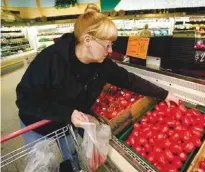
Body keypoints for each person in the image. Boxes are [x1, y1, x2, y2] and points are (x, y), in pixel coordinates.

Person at [16, 11, 179, 164]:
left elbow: (129, 80)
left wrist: (164, 94)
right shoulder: (50, 59)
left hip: (66, 123)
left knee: (73, 157)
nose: (110, 51)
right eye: (107, 45)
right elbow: (25, 100)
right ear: (87, 40)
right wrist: (67, 113)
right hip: (37, 123)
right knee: (41, 164)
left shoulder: (102, 65)